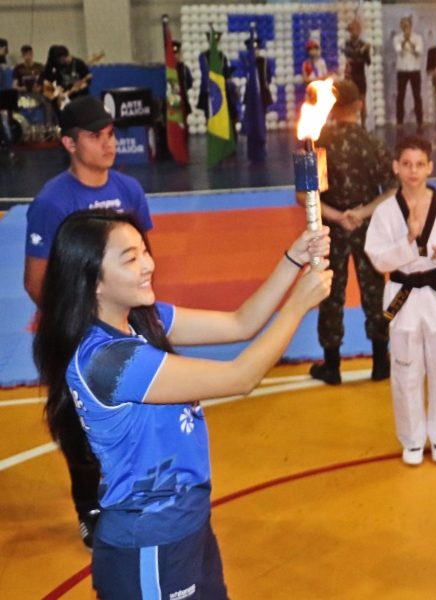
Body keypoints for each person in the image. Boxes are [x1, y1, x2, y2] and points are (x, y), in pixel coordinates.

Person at [34, 209, 332, 598]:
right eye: (131, 258)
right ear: (93, 283)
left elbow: (240, 323)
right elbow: (240, 377)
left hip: (187, 524)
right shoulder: (108, 360)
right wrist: (297, 306)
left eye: (145, 251)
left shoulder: (142, 319)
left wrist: (292, 259)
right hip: (149, 545)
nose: (149, 265)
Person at [22, 96, 153, 549]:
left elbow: (145, 259)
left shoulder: (131, 191)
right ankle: (89, 509)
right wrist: (85, 321)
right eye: (95, 136)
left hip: (126, 326)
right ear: (68, 143)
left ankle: (134, 492)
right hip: (77, 333)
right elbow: (36, 281)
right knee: (80, 427)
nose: (108, 142)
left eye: (111, 133)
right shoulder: (52, 202)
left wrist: (137, 315)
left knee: (134, 415)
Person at [364, 135, 436, 466]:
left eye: (420, 164)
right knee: (406, 371)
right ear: (396, 167)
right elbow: (378, 258)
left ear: (430, 167)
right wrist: (409, 241)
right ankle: (412, 440)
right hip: (403, 296)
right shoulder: (384, 212)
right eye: (407, 164)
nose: (413, 171)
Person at [307, 80, 397, 385]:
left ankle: (331, 366)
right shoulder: (372, 142)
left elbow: (304, 195)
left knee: (330, 293)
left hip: (331, 229)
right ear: (359, 105)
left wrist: (338, 216)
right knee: (374, 291)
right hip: (367, 226)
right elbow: (394, 189)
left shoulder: (318, 143)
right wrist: (360, 213)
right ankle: (380, 362)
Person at [393, 16, 424, 128]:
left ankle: (420, 121)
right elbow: (398, 51)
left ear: (411, 26)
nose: (406, 27)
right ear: (401, 26)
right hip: (402, 70)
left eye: (407, 25)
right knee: (400, 96)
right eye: (403, 25)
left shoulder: (417, 38)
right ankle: (399, 121)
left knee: (417, 96)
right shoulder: (397, 38)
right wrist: (404, 40)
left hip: (415, 70)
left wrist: (409, 41)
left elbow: (418, 52)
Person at [343, 20, 371, 123]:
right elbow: (350, 55)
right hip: (350, 76)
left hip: (360, 75)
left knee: (362, 100)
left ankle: (363, 125)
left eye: (355, 30)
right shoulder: (347, 44)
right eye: (351, 30)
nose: (353, 32)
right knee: (350, 101)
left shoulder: (363, 44)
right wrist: (361, 51)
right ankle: (351, 123)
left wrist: (366, 51)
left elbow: (368, 62)